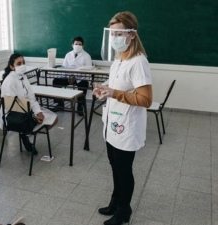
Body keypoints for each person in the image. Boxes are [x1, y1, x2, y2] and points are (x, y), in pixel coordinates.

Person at [92, 11, 152, 225]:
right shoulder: (119, 59)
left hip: (127, 127)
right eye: (112, 34)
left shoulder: (138, 62)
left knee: (124, 170)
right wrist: (105, 89)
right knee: (114, 165)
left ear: (132, 34)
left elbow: (146, 100)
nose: (115, 38)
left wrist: (114, 93)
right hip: (113, 123)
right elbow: (118, 88)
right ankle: (115, 202)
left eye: (120, 34)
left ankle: (123, 212)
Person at [0, 53, 58, 155]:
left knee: (54, 119)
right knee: (42, 122)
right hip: (12, 116)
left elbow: (31, 97)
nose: (22, 65)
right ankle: (26, 134)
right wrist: (33, 116)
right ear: (12, 67)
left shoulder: (23, 77)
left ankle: (25, 134)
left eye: (23, 62)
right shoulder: (9, 81)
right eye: (19, 63)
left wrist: (38, 112)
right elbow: (14, 106)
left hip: (26, 111)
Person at [52, 36, 92, 115]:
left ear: (83, 46)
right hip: (68, 77)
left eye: (80, 44)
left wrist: (77, 74)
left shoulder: (86, 55)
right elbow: (64, 67)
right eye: (76, 44)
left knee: (84, 84)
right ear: (72, 45)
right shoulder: (68, 54)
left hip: (80, 78)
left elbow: (88, 69)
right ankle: (59, 104)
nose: (77, 46)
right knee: (56, 81)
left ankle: (80, 107)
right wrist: (68, 76)